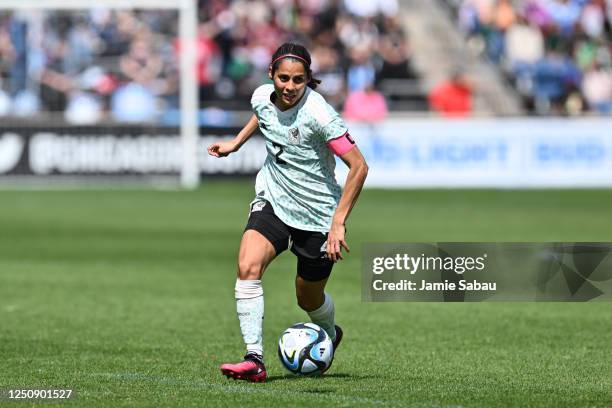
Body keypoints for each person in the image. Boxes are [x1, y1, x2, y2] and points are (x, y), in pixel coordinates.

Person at [207, 42, 369, 382]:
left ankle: (328, 334)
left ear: (308, 79)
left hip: (319, 215)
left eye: (298, 80)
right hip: (275, 202)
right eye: (284, 78)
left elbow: (358, 167)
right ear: (271, 75)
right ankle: (254, 358)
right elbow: (262, 114)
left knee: (306, 297)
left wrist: (338, 223)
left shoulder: (320, 116)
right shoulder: (262, 96)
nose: (290, 87)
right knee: (247, 265)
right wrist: (235, 143)